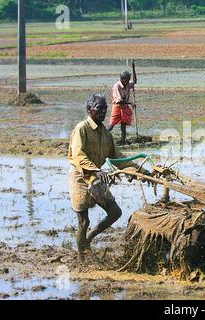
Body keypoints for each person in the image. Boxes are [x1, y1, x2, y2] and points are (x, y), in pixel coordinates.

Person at [68, 94, 149, 262]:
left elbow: (118, 159)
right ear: (89, 109)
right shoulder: (81, 129)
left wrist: (141, 171)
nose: (103, 111)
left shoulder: (106, 134)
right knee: (83, 221)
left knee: (114, 212)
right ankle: (81, 257)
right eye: (99, 108)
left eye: (105, 108)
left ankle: (89, 239)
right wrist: (96, 170)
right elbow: (78, 155)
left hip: (97, 176)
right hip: (81, 176)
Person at [108, 70, 137, 145]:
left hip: (124, 107)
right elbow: (119, 101)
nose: (129, 81)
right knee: (111, 125)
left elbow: (134, 81)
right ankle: (102, 138)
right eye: (127, 80)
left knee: (123, 125)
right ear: (123, 80)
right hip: (117, 107)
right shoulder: (116, 87)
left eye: (129, 79)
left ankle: (123, 142)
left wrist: (134, 69)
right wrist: (130, 103)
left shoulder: (127, 84)